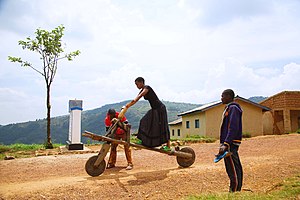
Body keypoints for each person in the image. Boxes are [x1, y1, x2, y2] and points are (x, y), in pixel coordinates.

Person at [123, 77, 171, 149]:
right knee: (143, 121)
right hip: (154, 109)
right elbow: (136, 99)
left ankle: (168, 146)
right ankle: (141, 139)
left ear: (141, 82)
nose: (137, 86)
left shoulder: (147, 88)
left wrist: (127, 106)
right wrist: (128, 106)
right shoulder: (142, 90)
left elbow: (139, 97)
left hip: (160, 108)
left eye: (137, 84)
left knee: (163, 126)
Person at [218, 89, 243, 192]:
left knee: (233, 167)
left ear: (228, 96)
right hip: (228, 143)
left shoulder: (233, 108)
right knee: (231, 166)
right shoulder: (229, 108)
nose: (221, 98)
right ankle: (235, 188)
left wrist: (226, 143)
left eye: (223, 96)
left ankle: (235, 189)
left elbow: (232, 127)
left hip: (230, 143)